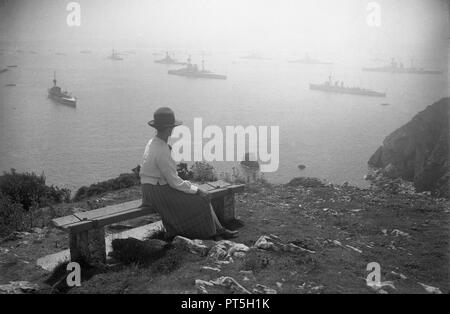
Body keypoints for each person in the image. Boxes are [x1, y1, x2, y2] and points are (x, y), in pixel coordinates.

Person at [140, 107, 238, 240]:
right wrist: (196, 190)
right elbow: (174, 182)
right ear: (170, 128)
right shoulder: (162, 149)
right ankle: (211, 233)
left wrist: (193, 189)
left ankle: (219, 230)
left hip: (149, 190)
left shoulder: (153, 142)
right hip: (158, 191)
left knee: (201, 197)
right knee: (201, 199)